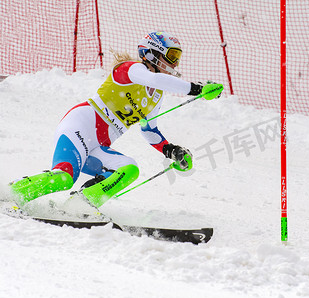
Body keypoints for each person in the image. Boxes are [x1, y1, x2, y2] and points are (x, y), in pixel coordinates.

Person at [9, 31, 223, 208]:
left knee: (129, 169)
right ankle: (10, 194)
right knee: (64, 178)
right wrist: (197, 89)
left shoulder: (156, 95)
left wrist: (172, 150)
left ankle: (81, 205)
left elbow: (149, 131)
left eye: (177, 57)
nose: (175, 63)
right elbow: (154, 78)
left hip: (99, 145)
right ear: (152, 54)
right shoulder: (131, 69)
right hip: (80, 127)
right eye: (172, 56)